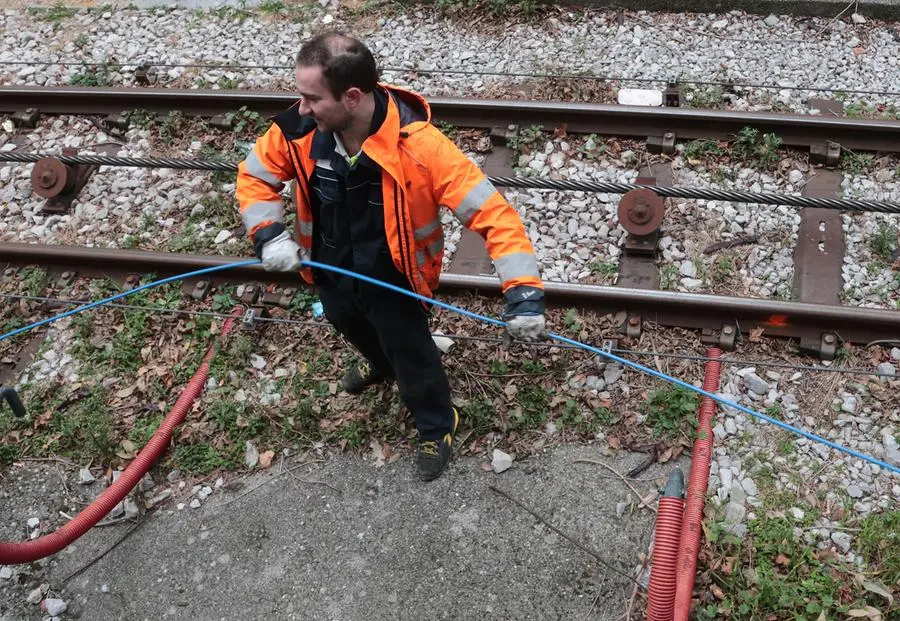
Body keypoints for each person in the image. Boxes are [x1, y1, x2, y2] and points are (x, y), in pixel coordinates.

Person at [235, 31, 546, 482]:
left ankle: (438, 424)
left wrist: (525, 294)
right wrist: (268, 234)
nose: (300, 108)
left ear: (353, 97)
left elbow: (494, 215)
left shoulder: (422, 148)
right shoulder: (298, 130)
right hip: (330, 268)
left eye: (311, 98)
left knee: (412, 353)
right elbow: (254, 178)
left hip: (394, 278)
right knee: (347, 322)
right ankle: (380, 364)